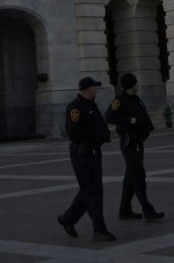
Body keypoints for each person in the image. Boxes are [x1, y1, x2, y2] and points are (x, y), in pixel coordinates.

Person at [57, 76, 116, 242]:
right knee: (93, 192)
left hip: (94, 152)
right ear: (88, 90)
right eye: (94, 87)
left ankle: (68, 218)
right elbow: (73, 132)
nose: (96, 90)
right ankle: (99, 229)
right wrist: (95, 136)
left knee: (90, 189)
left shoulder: (90, 104)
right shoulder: (75, 107)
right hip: (83, 153)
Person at [105, 73, 164, 222]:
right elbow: (109, 116)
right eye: (135, 83)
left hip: (138, 141)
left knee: (131, 176)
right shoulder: (120, 100)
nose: (137, 85)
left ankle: (124, 210)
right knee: (138, 176)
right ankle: (147, 210)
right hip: (128, 142)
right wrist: (128, 120)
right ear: (131, 85)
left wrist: (146, 131)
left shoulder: (136, 99)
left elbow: (143, 117)